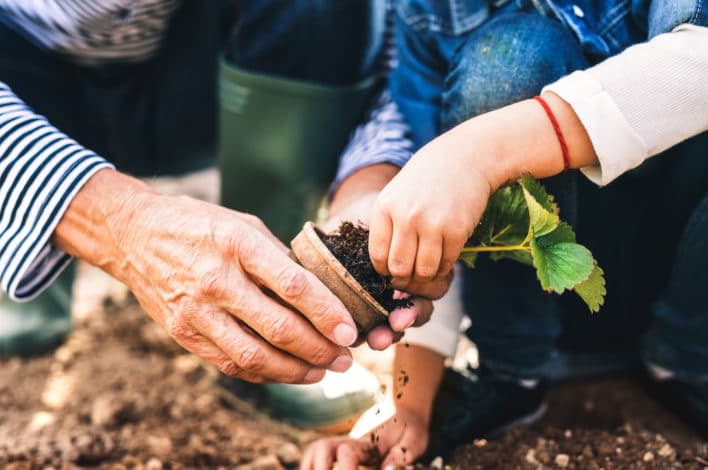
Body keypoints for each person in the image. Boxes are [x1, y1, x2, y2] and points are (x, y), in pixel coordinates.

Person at [0, 0, 433, 386]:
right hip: (11, 67)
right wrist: (117, 225)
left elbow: (409, 33)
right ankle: (38, 259)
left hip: (201, 76)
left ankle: (276, 304)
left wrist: (371, 179)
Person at [301, 0, 708, 467]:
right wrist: (408, 404)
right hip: (537, 319)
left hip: (682, 274)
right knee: (512, 55)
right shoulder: (427, 14)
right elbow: (428, 206)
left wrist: (481, 152)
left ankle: (687, 359)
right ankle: (512, 374)